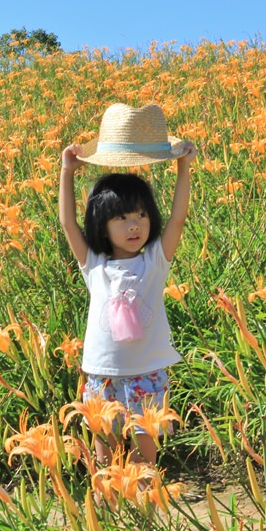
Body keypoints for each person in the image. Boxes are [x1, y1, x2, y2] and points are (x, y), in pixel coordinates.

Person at [59, 103, 197, 466]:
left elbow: (179, 218)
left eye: (141, 215)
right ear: (101, 225)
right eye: (121, 217)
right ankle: (110, 516)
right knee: (105, 459)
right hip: (101, 375)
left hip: (147, 375)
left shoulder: (154, 262)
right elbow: (68, 224)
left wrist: (183, 167)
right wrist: (67, 172)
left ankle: (146, 518)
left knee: (144, 458)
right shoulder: (96, 265)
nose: (134, 225)